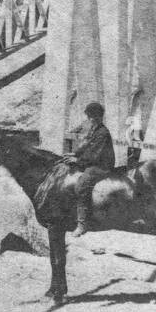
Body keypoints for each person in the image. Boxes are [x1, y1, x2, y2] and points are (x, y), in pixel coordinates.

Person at [68, 101, 115, 235]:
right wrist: (74, 153)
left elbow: (94, 154)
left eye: (91, 117)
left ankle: (82, 224)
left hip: (101, 166)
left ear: (97, 117)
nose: (89, 119)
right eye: (89, 117)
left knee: (81, 185)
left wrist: (77, 160)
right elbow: (86, 146)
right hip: (93, 162)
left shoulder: (103, 133)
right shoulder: (95, 129)